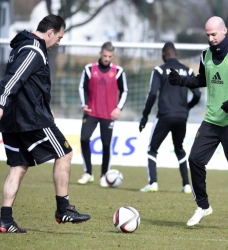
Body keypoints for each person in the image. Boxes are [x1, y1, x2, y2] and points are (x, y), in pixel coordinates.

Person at [169, 16, 228, 232]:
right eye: (208, 35)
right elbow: (203, 79)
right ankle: (203, 206)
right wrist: (182, 81)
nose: (211, 38)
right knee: (194, 159)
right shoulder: (205, 55)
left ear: (224, 31)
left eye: (214, 34)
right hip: (211, 120)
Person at [0, 14, 90, 233]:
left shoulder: (21, 46)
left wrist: (45, 103)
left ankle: (5, 220)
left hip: (16, 118)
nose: (58, 42)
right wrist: (0, 103)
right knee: (65, 153)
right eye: (59, 37)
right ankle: (63, 209)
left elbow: (31, 83)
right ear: (50, 32)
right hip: (30, 118)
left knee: (18, 167)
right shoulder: (33, 49)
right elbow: (14, 78)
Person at [139, 42, 201, 193]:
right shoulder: (187, 71)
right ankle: (186, 185)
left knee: (152, 148)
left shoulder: (159, 70)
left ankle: (153, 183)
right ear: (176, 53)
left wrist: (145, 116)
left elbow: (152, 94)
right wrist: (187, 108)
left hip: (165, 115)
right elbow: (198, 94)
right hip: (181, 116)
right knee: (179, 149)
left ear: (163, 54)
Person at [78, 41, 128, 186]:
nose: (106, 59)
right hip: (91, 112)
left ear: (113, 56)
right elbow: (82, 87)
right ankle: (88, 173)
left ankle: (104, 175)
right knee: (84, 139)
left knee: (106, 144)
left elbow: (125, 90)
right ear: (100, 54)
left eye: (109, 56)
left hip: (108, 114)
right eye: (104, 55)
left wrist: (118, 108)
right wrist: (84, 104)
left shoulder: (118, 71)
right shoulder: (89, 68)